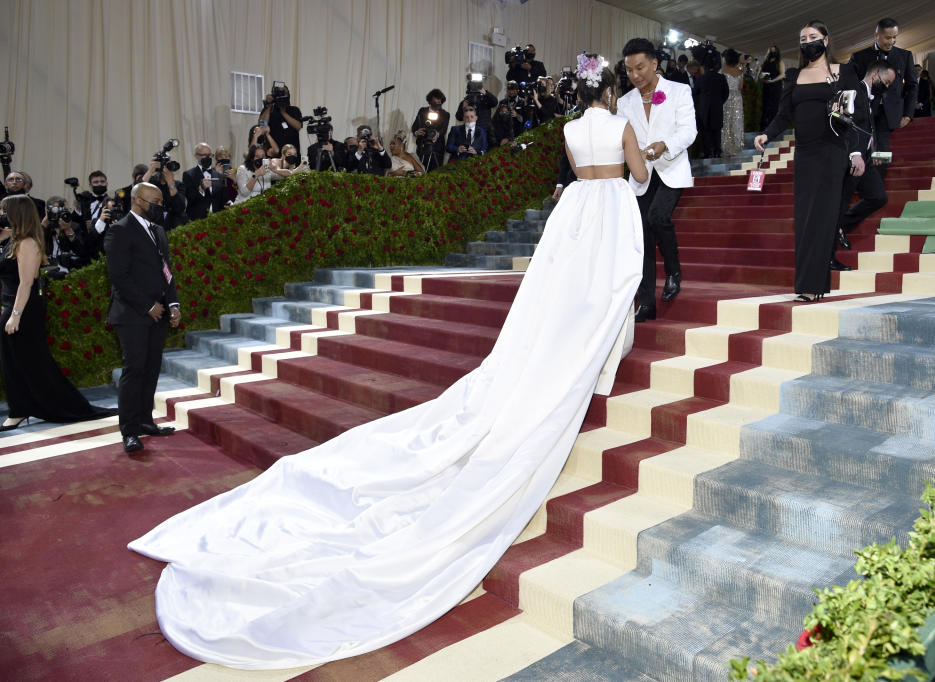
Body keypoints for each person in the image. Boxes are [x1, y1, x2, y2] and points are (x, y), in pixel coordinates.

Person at [127, 51, 649, 671]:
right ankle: (596, 360)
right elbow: (637, 177)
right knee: (610, 286)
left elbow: (575, 171)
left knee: (561, 297)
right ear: (612, 91)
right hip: (611, 206)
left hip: (573, 213)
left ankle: (566, 354)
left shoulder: (567, 130)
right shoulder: (622, 126)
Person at [755, 20, 859, 302]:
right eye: (803, 38)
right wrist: (767, 134)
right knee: (804, 220)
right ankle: (806, 284)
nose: (807, 42)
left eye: (813, 36)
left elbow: (858, 115)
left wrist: (856, 152)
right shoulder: (793, 75)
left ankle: (814, 286)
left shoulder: (843, 73)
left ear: (826, 40)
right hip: (804, 155)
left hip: (832, 151)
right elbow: (783, 115)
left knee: (823, 219)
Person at [0, 195, 116, 430]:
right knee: (13, 361)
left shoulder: (28, 243)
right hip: (13, 305)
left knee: (30, 361)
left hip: (24, 308)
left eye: (3, 210)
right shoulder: (12, 238)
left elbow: (26, 283)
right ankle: (22, 407)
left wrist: (15, 315)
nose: (0, 213)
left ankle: (29, 408)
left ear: (15, 213)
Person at [619, 37, 697, 321]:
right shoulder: (624, 102)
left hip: (671, 167)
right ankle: (647, 303)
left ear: (654, 63)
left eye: (640, 67)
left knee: (657, 218)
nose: (635, 75)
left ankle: (674, 270)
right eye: (629, 70)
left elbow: (689, 131)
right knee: (642, 237)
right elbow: (623, 140)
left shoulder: (678, 91)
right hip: (641, 174)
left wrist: (665, 145)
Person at [103, 182, 180, 453]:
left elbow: (165, 270)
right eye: (155, 201)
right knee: (134, 371)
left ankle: (146, 421)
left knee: (151, 369)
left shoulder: (158, 231)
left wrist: (173, 303)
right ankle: (129, 431)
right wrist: (148, 306)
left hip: (157, 313)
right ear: (138, 201)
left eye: (160, 201)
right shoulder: (119, 231)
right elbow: (119, 277)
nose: (159, 206)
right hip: (132, 315)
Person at [834, 61, 896, 264]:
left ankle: (841, 226)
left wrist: (872, 150)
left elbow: (866, 128)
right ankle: (828, 256)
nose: (886, 87)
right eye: (886, 82)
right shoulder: (854, 90)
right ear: (875, 75)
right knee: (840, 203)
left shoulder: (870, 97)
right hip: (852, 159)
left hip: (866, 158)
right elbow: (846, 124)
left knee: (878, 196)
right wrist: (854, 153)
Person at [849, 18, 917, 178]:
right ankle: (860, 180)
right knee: (861, 144)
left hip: (889, 112)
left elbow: (912, 86)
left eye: (895, 37)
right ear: (876, 35)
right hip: (864, 111)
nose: (892, 41)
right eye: (888, 37)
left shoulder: (905, 56)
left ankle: (877, 182)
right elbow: (850, 85)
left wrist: (908, 114)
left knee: (882, 148)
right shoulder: (859, 57)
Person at [693, 52, 729, 158]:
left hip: (703, 109)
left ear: (704, 67)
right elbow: (726, 93)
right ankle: (718, 151)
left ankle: (707, 151)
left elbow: (695, 93)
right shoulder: (721, 77)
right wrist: (719, 102)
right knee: (717, 131)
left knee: (705, 132)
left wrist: (700, 104)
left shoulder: (701, 79)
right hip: (717, 108)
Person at [182, 143, 228, 221]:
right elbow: (189, 198)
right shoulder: (188, 175)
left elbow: (225, 199)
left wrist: (230, 204)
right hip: (197, 220)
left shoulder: (220, 176)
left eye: (210, 155)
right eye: (204, 155)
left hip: (218, 219)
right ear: (196, 156)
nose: (208, 158)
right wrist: (201, 190)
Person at [258, 83, 303, 154]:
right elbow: (262, 125)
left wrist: (283, 112)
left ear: (288, 94)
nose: (282, 96)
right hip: (273, 152)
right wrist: (269, 106)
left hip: (291, 153)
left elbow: (298, 126)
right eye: (279, 93)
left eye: (284, 93)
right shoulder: (269, 110)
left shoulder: (294, 110)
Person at [412, 89, 451, 170]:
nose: (438, 103)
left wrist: (437, 134)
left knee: (435, 172)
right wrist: (416, 132)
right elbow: (414, 127)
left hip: (437, 148)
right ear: (430, 101)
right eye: (436, 101)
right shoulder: (422, 111)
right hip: (422, 146)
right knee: (420, 170)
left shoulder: (445, 114)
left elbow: (443, 130)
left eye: (440, 102)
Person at [720, 49, 745, 156]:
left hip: (726, 97)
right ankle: (736, 146)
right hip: (737, 98)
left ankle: (725, 146)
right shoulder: (740, 72)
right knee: (736, 121)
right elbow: (740, 87)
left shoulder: (722, 71)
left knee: (726, 121)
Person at [759, 46, 786, 130]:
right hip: (766, 86)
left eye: (774, 50)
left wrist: (773, 80)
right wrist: (762, 78)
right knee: (765, 107)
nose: (772, 52)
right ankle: (764, 128)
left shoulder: (779, 61)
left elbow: (783, 74)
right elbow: (761, 73)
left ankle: (773, 128)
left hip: (775, 86)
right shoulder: (766, 61)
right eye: (771, 50)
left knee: (774, 107)